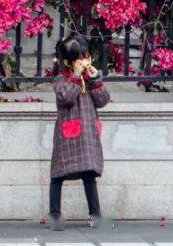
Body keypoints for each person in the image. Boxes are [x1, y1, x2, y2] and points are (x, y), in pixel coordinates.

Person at [48, 34, 110, 230]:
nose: (84, 62)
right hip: (68, 135)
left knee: (89, 174)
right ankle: (55, 215)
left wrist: (94, 81)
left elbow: (102, 101)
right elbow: (65, 97)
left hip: (87, 134)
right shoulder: (60, 79)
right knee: (58, 175)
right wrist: (75, 77)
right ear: (68, 62)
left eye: (87, 57)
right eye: (79, 59)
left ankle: (95, 214)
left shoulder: (89, 79)